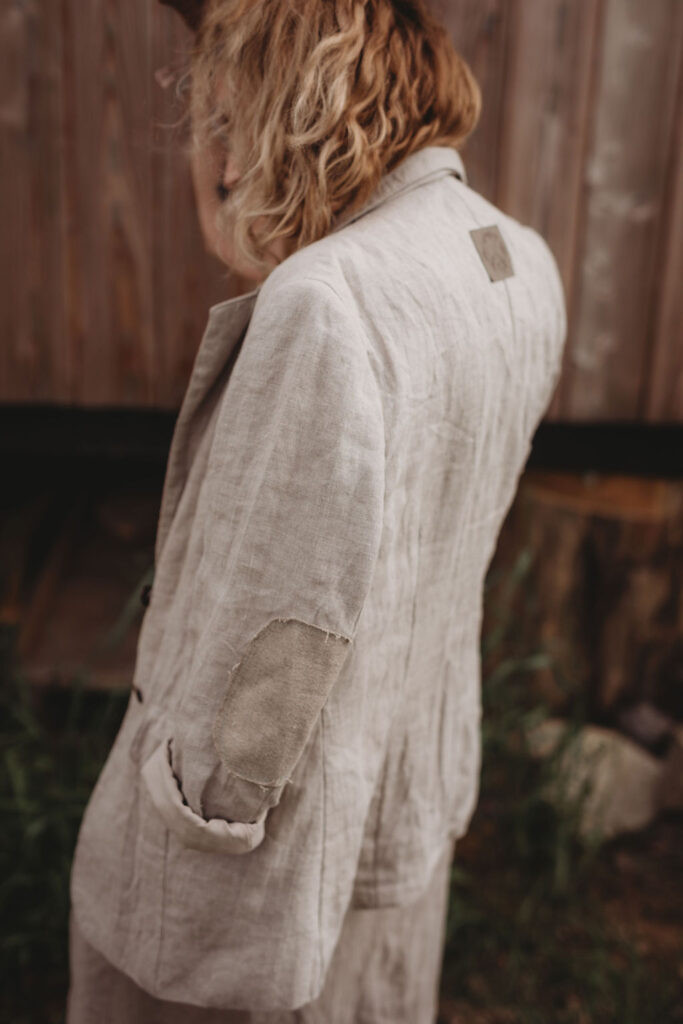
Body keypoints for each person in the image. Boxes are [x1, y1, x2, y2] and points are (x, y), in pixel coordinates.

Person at [66, 1, 568, 1022]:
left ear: (287, 88)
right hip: (398, 796)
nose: (217, 151)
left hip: (257, 878)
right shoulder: (517, 258)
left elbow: (275, 639)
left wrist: (193, 825)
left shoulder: (324, 302)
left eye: (224, 105)